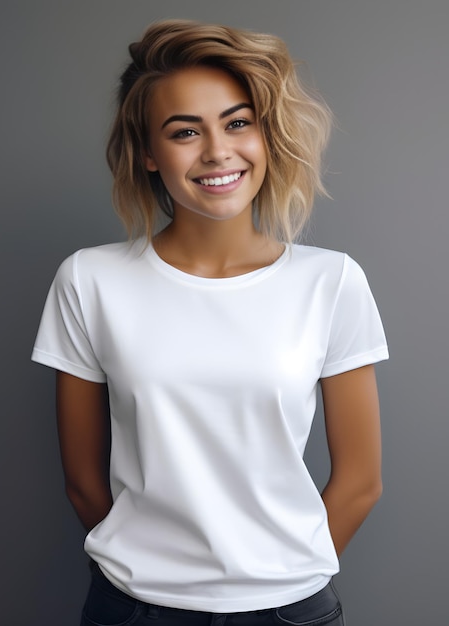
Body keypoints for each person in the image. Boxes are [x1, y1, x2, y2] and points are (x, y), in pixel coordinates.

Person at [32, 19, 388, 626]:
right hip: (135, 609)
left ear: (265, 136)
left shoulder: (331, 282)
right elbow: (83, 483)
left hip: (288, 610)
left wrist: (284, 577)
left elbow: (360, 481)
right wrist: (152, 580)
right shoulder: (90, 281)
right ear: (148, 152)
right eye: (184, 131)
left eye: (237, 122)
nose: (217, 150)